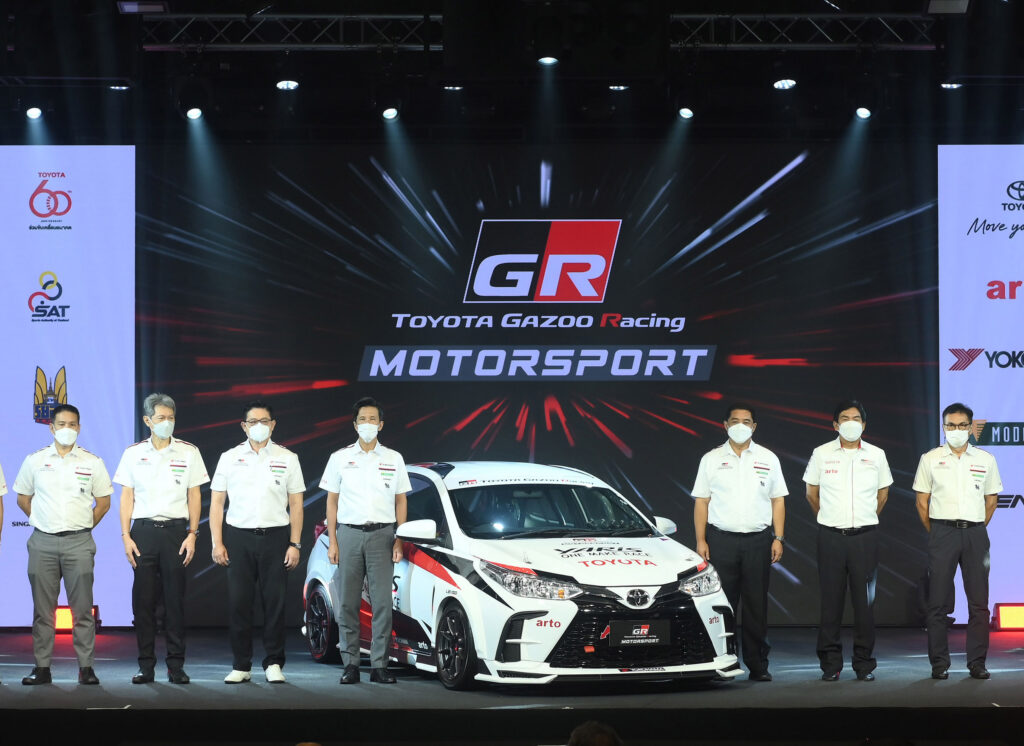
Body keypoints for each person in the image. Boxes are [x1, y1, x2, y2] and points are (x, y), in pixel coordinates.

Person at [13, 404, 113, 686]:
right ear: (52, 427)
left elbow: (103, 503)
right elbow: (23, 498)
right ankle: (42, 668)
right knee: (42, 611)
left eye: (72, 424)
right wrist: (41, 521)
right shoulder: (34, 460)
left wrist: (83, 526)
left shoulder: (92, 462)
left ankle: (86, 668)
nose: (67, 429)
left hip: (79, 542)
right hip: (42, 542)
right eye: (61, 424)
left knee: (82, 610)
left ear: (78, 428)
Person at [114, 393, 208, 685]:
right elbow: (126, 497)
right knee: (142, 603)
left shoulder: (189, 452)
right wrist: (126, 535)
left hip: (176, 533)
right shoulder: (133, 453)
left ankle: (176, 666)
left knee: (174, 602)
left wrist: (192, 534)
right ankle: (146, 665)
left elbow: (195, 495)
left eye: (171, 418)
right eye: (161, 418)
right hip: (142, 532)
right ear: (147, 420)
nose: (167, 422)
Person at [209, 401, 305, 684]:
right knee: (239, 603)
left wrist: (295, 544)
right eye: (253, 422)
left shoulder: (288, 458)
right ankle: (241, 665)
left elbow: (296, 504)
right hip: (238, 537)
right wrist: (217, 542)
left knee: (274, 603)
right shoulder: (229, 457)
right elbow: (217, 503)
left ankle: (274, 662)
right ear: (244, 426)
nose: (259, 426)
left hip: (276, 537)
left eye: (264, 421)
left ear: (273, 425)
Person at [692, 403, 788, 681]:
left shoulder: (768, 458)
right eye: (735, 421)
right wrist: (701, 540)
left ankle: (758, 665)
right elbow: (702, 501)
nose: (740, 426)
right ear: (725, 425)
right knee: (723, 605)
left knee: (757, 605)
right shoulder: (711, 458)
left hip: (759, 541)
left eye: (746, 422)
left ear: (754, 427)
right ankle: (725, 662)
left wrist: (778, 537)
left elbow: (778, 500)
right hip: (721, 540)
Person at [321, 396, 410, 684]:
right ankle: (350, 664)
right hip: (348, 533)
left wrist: (399, 539)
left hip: (383, 535)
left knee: (382, 603)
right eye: (362, 419)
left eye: (373, 419)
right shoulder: (339, 458)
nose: (367, 424)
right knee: (348, 603)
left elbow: (401, 501)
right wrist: (333, 541)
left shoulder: (393, 458)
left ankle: (379, 665)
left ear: (381, 424)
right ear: (355, 424)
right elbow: (331, 502)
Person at [803, 400, 892, 681]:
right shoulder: (821, 453)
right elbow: (811, 493)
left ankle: (864, 664)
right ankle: (831, 665)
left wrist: (864, 519)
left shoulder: (876, 455)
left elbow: (883, 495)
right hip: (830, 537)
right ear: (835, 424)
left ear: (863, 425)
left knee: (864, 605)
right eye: (844, 418)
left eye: (856, 418)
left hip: (865, 538)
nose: (850, 423)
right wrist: (829, 518)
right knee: (831, 604)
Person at [914, 402, 1002, 680]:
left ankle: (977, 663)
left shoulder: (986, 459)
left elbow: (991, 500)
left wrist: (975, 527)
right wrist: (937, 531)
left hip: (975, 533)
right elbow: (922, 502)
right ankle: (939, 664)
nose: (956, 430)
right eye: (951, 425)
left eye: (962, 425)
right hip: (942, 532)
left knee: (979, 603)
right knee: (938, 602)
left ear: (971, 428)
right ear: (943, 427)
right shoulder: (930, 458)